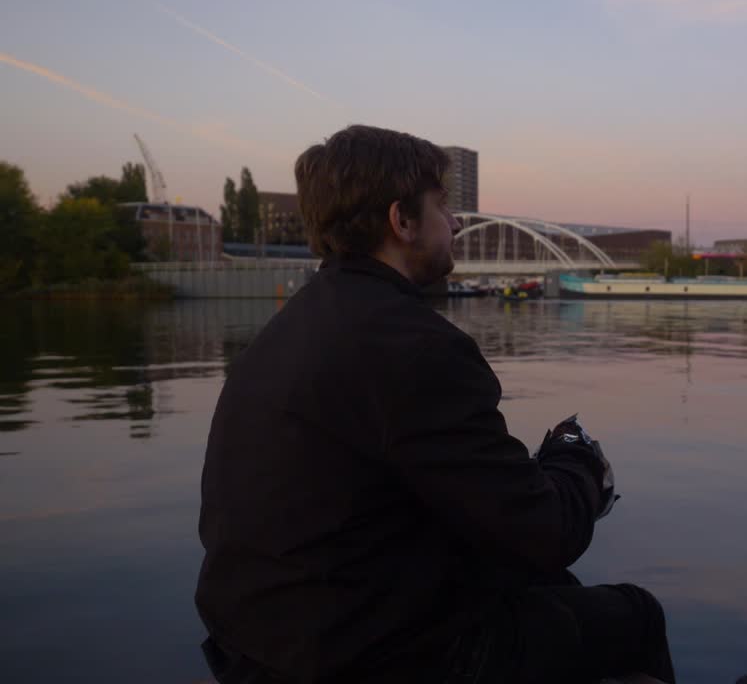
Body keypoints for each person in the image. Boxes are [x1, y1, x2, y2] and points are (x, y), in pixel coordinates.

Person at [195, 125, 676, 683]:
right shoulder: (413, 344)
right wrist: (578, 461)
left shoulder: (283, 333)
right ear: (401, 221)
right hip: (369, 658)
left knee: (541, 589)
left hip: (264, 645)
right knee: (636, 616)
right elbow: (546, 534)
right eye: (442, 207)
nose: (453, 224)